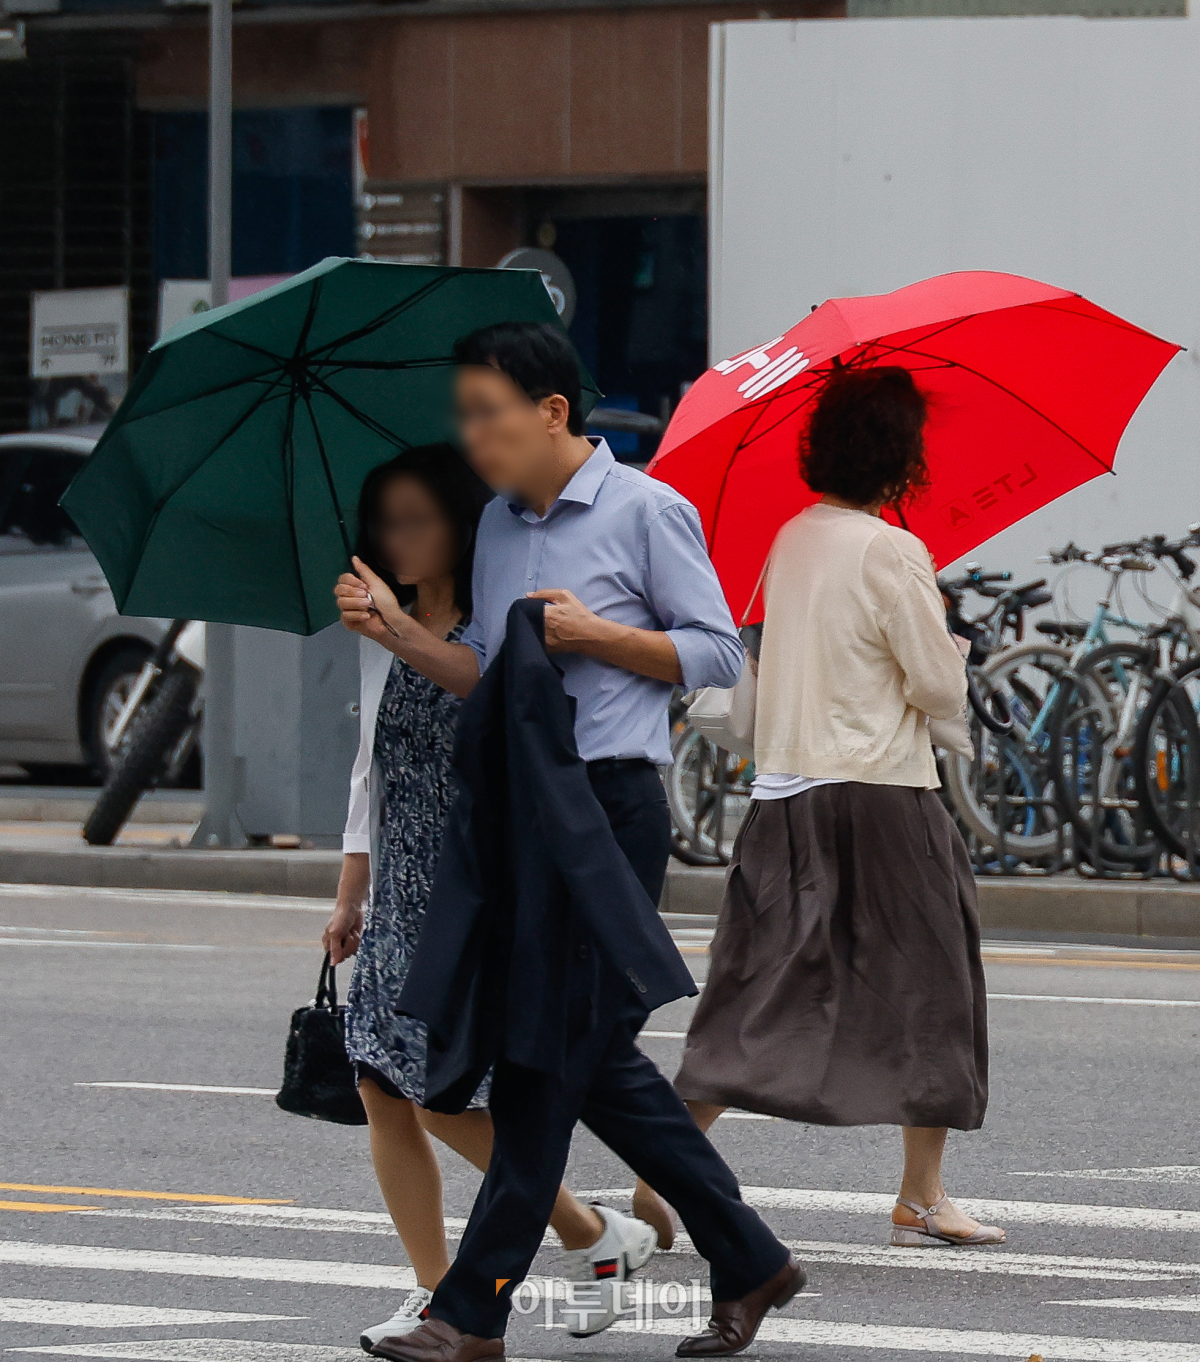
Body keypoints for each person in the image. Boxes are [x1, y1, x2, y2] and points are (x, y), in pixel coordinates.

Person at [336, 323, 803, 1362]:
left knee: (549, 1059)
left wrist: (599, 637)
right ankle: (749, 1254)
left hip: (607, 809)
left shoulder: (646, 510)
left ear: (551, 412)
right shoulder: (498, 528)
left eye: (487, 413)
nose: (474, 436)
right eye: (464, 415)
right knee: (569, 1055)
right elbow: (489, 680)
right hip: (519, 808)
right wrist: (398, 632)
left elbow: (716, 650)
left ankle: (472, 1311)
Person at [640, 365, 1004, 1251]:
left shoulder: (793, 538)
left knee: (755, 989)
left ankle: (661, 1178)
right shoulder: (890, 550)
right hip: (880, 795)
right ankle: (921, 1192)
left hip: (784, 795)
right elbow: (934, 684)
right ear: (900, 455)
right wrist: (940, 621)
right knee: (934, 985)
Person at [324, 443, 656, 1353]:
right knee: (381, 1089)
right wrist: (351, 893)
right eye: (385, 521)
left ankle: (589, 1230)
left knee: (438, 1093)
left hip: (473, 883)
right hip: (400, 886)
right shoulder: (379, 629)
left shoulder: (485, 628)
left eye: (418, 518)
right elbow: (371, 772)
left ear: (463, 525)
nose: (398, 537)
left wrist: (400, 631)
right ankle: (438, 1290)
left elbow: (501, 725)